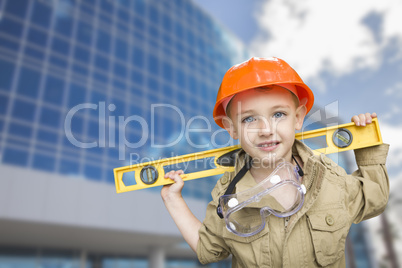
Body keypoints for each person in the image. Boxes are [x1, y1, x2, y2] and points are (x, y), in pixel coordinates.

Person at [161, 57, 389, 267]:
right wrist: (173, 200)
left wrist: (367, 147)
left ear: (298, 118)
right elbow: (208, 251)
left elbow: (374, 199)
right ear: (231, 128)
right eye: (249, 119)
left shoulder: (327, 176)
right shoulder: (228, 195)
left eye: (278, 114)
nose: (266, 130)